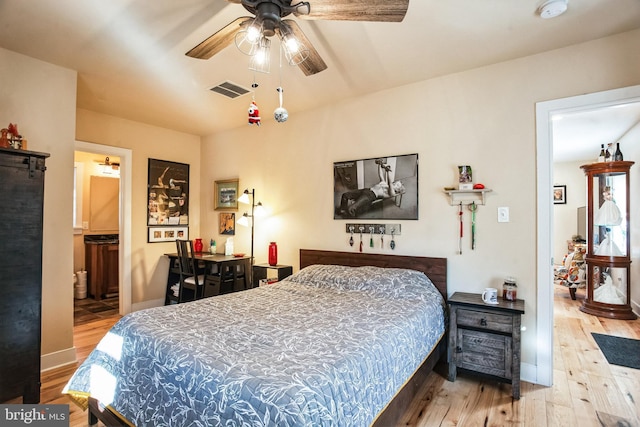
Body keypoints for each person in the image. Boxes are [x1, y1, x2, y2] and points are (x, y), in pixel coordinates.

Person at [338, 160, 405, 217]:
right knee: (345, 195)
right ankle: (343, 210)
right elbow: (381, 175)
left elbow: (390, 183)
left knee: (351, 209)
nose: (395, 183)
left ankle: (350, 219)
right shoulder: (384, 184)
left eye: (397, 185)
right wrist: (380, 164)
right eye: (396, 182)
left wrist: (387, 171)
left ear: (397, 190)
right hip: (366, 190)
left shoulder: (392, 193)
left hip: (370, 196)